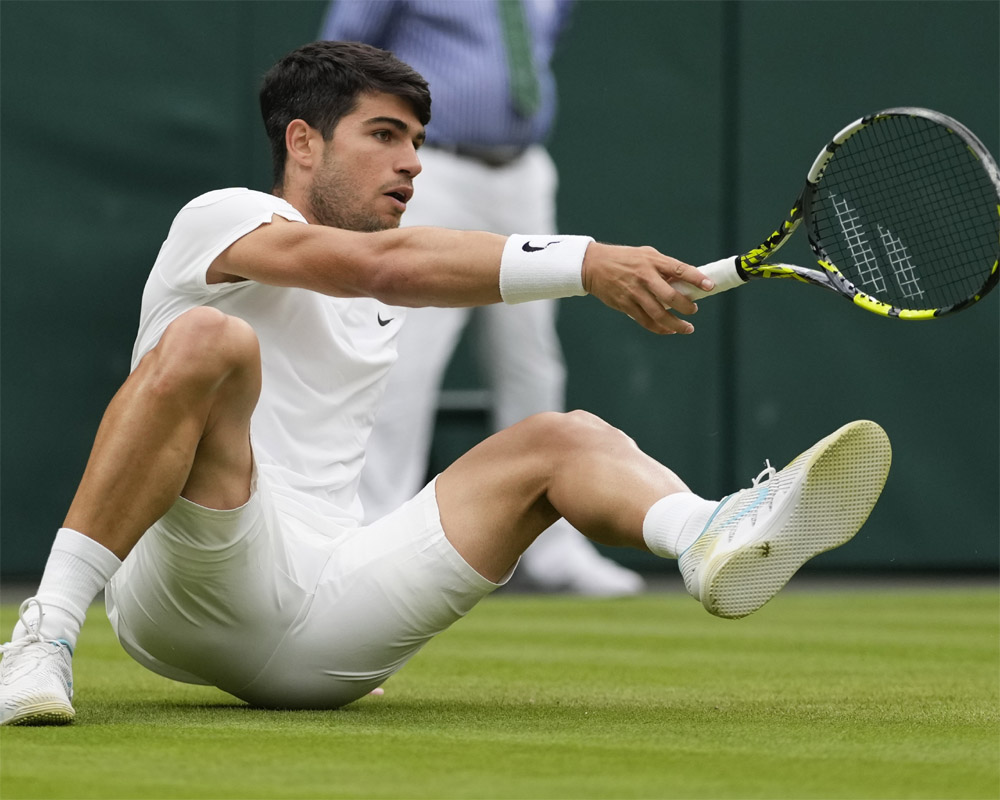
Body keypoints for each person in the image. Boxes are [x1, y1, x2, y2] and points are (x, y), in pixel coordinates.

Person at [0, 41, 891, 726]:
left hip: (324, 635)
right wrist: (585, 262)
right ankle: (45, 634)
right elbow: (379, 268)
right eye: (385, 136)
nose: (414, 163)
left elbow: (398, 271)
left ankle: (707, 534)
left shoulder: (385, 280)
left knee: (559, 437)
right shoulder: (228, 219)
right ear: (302, 143)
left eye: (419, 142)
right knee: (209, 341)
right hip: (181, 591)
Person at [320, 0, 645, 596]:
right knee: (403, 359)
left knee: (532, 361)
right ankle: (372, 539)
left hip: (523, 171)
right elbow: (340, 63)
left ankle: (550, 542)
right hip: (428, 169)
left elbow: (538, 48)